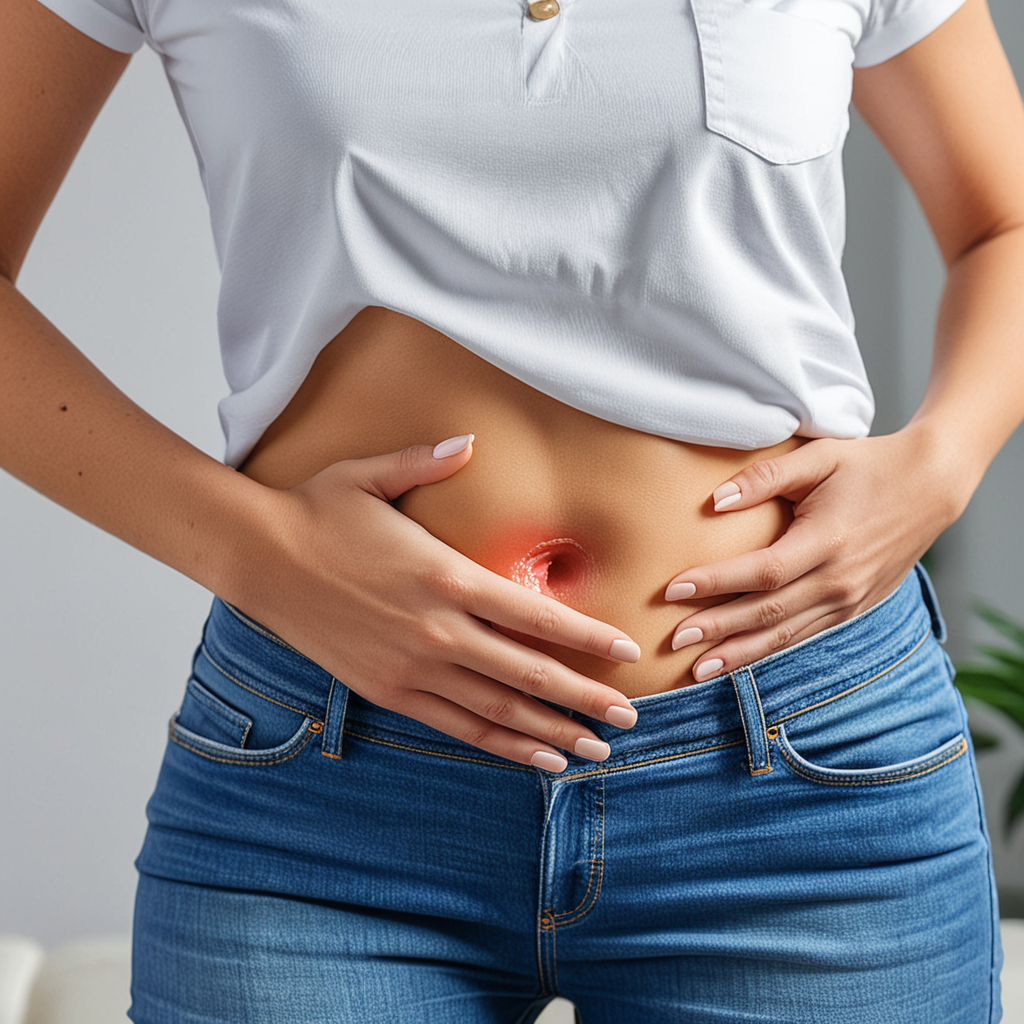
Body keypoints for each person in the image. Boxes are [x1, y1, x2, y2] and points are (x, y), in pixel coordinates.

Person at [2, 0, 1022, 1017]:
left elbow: (1003, 222)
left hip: (796, 773)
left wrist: (941, 462)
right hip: (324, 783)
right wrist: (253, 551)